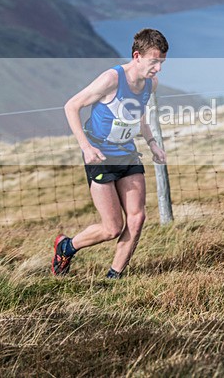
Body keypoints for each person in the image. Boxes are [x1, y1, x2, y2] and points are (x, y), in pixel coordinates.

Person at [52, 28, 168, 278]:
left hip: (127, 153)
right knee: (112, 228)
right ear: (137, 56)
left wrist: (152, 143)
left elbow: (139, 116)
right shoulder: (111, 79)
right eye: (154, 62)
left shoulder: (151, 84)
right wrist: (86, 147)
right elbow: (71, 106)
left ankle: (114, 277)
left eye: (161, 62)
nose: (158, 68)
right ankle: (66, 247)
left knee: (137, 218)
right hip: (101, 156)